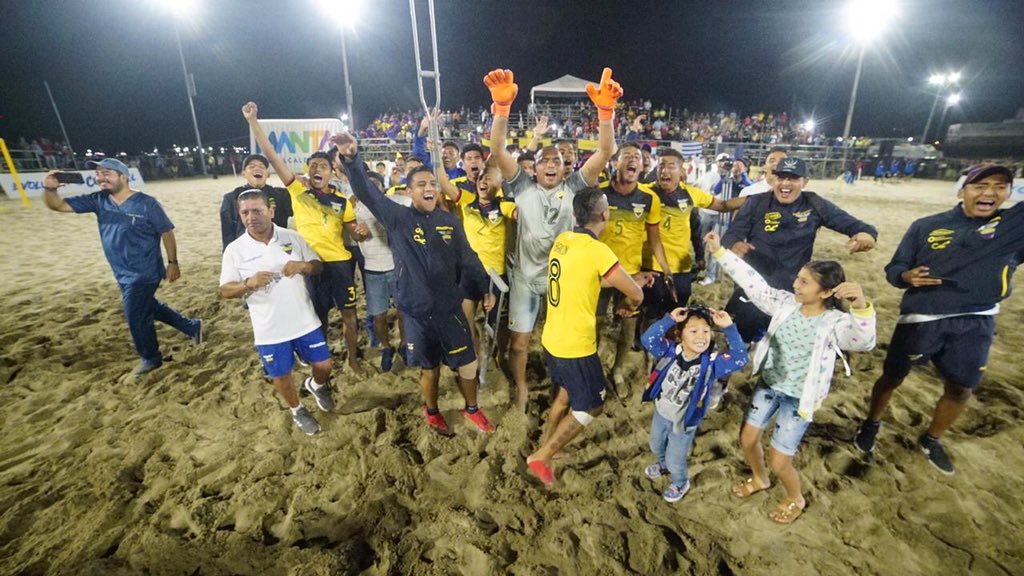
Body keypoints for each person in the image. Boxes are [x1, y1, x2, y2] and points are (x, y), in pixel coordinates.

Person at [853, 164, 1023, 475]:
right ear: (962, 191)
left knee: (961, 387)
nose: (989, 192)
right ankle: (871, 423)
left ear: (1009, 193)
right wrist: (905, 276)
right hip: (922, 317)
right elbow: (894, 270)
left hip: (977, 320)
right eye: (980, 185)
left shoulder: (1013, 227)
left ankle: (932, 439)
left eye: (1000, 186)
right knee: (892, 376)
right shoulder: (926, 226)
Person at [705, 232, 876, 524]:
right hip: (769, 386)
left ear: (825, 293)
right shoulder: (784, 304)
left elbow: (864, 341)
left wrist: (861, 304)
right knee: (748, 439)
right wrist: (720, 252)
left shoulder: (835, 323)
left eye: (804, 282)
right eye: (798, 278)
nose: (795, 284)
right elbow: (754, 283)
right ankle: (760, 479)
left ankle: (795, 497)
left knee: (780, 460)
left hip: (798, 399)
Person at [334, 132, 498, 436]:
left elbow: (469, 260)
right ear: (409, 192)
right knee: (429, 369)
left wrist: (484, 289)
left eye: (432, 184)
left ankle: (472, 408)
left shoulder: (449, 222)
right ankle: (432, 412)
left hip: (450, 309)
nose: (429, 188)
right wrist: (351, 159)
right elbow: (367, 193)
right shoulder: (397, 218)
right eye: (421, 184)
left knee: (468, 365)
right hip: (416, 313)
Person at [486, 67, 620, 411]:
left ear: (564, 168)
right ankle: (520, 387)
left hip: (562, 282)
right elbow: (498, 149)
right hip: (526, 281)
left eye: (556, 161)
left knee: (561, 343)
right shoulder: (522, 187)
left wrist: (606, 114)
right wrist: (501, 110)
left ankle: (561, 385)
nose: (549, 163)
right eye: (543, 159)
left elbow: (605, 152)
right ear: (534, 167)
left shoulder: (575, 187)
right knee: (519, 344)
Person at [41, 160, 202, 377]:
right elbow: (57, 206)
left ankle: (150, 358)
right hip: (121, 272)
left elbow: (166, 231)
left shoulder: (147, 203)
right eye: (98, 174)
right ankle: (192, 327)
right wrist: (50, 188)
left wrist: (173, 263)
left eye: (106, 173)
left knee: (135, 315)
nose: (100, 178)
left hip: (145, 271)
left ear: (124, 177)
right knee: (147, 307)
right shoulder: (98, 200)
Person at [526, 189, 644, 485]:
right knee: (592, 405)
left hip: (552, 338)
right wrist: (630, 303)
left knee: (564, 394)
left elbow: (582, 277)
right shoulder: (599, 251)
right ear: (605, 214)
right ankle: (542, 456)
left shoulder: (563, 241)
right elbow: (636, 295)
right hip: (575, 345)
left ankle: (547, 442)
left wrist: (623, 282)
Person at [243, 102, 364, 377]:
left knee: (349, 316)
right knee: (315, 317)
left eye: (323, 165)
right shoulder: (299, 192)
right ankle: (319, 358)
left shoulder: (341, 201)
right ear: (307, 172)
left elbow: (353, 228)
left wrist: (360, 231)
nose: (317, 169)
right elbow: (273, 158)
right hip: (309, 265)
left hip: (341, 265)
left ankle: (353, 359)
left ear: (333, 172)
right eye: (313, 166)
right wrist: (253, 121)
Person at [720, 157, 877, 345]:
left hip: (794, 289)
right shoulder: (756, 203)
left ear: (805, 181)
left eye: (793, 178)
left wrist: (866, 235)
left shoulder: (814, 204)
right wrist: (734, 244)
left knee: (782, 341)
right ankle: (726, 373)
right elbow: (729, 236)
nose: (785, 183)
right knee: (738, 339)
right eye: (781, 177)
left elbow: (856, 225)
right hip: (755, 285)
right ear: (773, 180)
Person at [219, 189, 334, 435]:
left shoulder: (292, 237)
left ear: (271, 211)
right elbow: (226, 290)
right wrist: (248, 283)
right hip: (269, 329)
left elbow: (317, 266)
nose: (251, 217)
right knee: (281, 376)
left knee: (324, 365)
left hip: (305, 320)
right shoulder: (235, 250)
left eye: (257, 211)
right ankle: (297, 410)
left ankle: (316, 385)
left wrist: (303, 265)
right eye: (245, 212)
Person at [641, 304, 748, 502]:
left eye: (706, 330)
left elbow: (741, 358)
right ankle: (662, 465)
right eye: (693, 330)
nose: (701, 336)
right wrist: (670, 320)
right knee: (656, 445)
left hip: (685, 422)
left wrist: (729, 328)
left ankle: (680, 482)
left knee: (676, 459)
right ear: (680, 334)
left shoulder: (712, 363)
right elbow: (647, 339)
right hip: (661, 412)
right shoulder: (670, 351)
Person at [351, 171, 411, 372]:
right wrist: (359, 234)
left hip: (397, 267)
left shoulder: (396, 201)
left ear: (382, 187)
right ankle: (386, 347)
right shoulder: (355, 209)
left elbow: (417, 201)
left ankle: (403, 345)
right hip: (372, 270)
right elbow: (353, 235)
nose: (371, 187)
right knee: (378, 315)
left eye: (375, 183)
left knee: (404, 311)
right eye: (367, 184)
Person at [220, 154, 293, 250]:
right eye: (251, 166)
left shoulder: (281, 195)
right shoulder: (231, 198)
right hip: (247, 250)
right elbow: (228, 233)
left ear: (268, 174)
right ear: (244, 173)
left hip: (277, 247)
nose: (257, 168)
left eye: (262, 167)